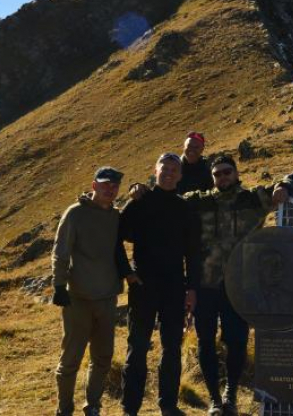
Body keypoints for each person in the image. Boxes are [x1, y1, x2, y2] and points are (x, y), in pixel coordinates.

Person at [129, 154, 283, 415]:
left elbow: (281, 188)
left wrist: (286, 187)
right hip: (205, 285)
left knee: (236, 342)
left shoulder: (253, 200)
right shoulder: (199, 202)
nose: (222, 177)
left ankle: (230, 393)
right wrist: (139, 189)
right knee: (205, 342)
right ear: (212, 178)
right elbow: (167, 197)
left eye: (227, 172)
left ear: (236, 173)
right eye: (217, 174)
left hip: (239, 286)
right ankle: (214, 398)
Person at [119, 153, 201, 416]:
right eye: (164, 169)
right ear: (155, 171)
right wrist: (127, 273)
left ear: (180, 175)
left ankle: (168, 405)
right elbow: (116, 237)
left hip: (174, 287)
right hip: (143, 286)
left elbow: (193, 253)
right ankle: (129, 408)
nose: (168, 173)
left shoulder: (185, 207)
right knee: (138, 347)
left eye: (174, 170)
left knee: (172, 347)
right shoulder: (139, 203)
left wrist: (191, 288)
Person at [51, 166, 134, 416]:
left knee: (103, 358)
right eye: (105, 184)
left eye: (114, 185)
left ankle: (93, 406)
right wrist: (58, 285)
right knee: (71, 360)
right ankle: (64, 409)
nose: (110, 189)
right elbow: (60, 251)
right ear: (94, 185)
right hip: (78, 299)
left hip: (108, 298)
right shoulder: (75, 214)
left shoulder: (115, 216)